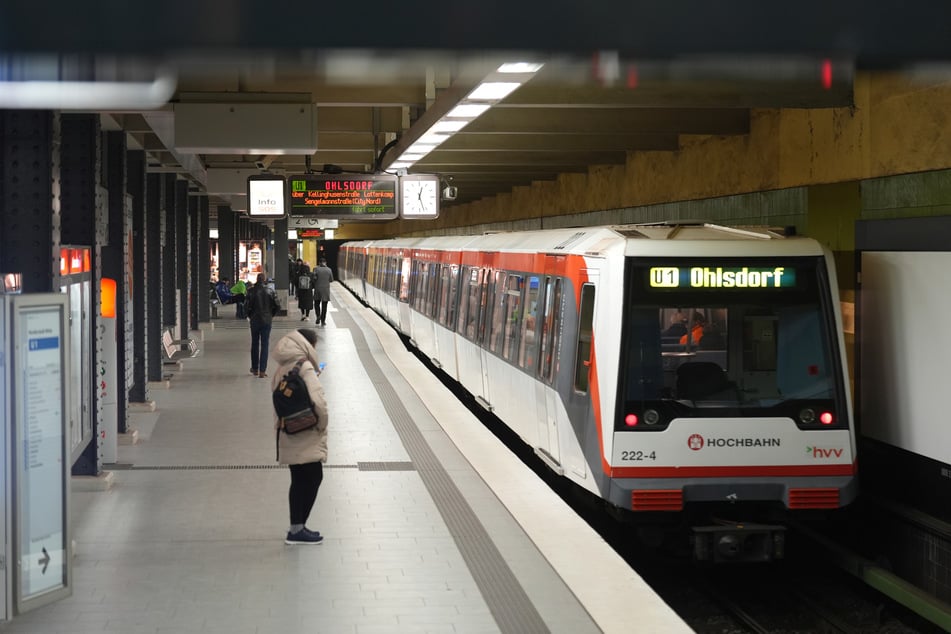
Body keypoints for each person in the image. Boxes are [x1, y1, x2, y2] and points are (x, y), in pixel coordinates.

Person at [270, 328, 328, 545]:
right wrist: (322, 425)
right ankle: (297, 529)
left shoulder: (283, 366)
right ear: (308, 345)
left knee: (299, 480)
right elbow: (319, 403)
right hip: (306, 432)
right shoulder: (304, 367)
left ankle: (297, 528)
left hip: (287, 429)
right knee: (314, 478)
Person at [246, 273, 278, 377]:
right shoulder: (270, 291)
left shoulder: (251, 291)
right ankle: (262, 371)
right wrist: (271, 315)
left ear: (257, 279)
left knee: (254, 343)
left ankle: (255, 368)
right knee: (265, 345)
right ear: (264, 280)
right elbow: (277, 306)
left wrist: (250, 315)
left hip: (255, 320)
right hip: (266, 320)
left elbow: (246, 307)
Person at [313, 258, 334, 326]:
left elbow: (314, 278)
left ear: (319, 263)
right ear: (325, 263)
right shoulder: (329, 270)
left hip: (317, 289)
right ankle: (323, 321)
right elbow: (331, 280)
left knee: (316, 304)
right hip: (325, 290)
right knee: (324, 306)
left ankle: (318, 316)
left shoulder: (316, 269)